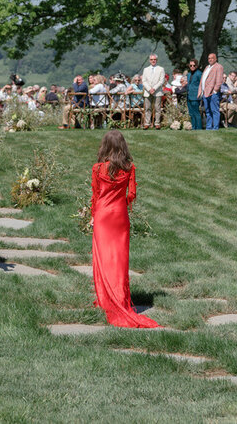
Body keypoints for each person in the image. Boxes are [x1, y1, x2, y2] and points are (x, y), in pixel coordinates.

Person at [89, 131, 159, 328]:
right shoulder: (129, 167)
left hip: (103, 216)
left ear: (105, 146)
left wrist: (94, 215)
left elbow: (95, 195)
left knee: (102, 259)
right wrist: (121, 202)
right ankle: (119, 299)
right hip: (120, 217)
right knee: (119, 260)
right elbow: (132, 194)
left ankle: (105, 300)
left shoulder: (97, 168)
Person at [141, 54, 166, 129]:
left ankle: (157, 123)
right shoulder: (146, 69)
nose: (153, 61)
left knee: (157, 108)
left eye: (154, 59)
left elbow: (161, 81)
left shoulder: (161, 69)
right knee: (147, 108)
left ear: (156, 60)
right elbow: (144, 80)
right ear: (149, 60)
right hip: (148, 91)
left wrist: (154, 88)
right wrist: (149, 89)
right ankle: (147, 123)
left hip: (157, 91)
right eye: (151, 59)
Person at [200, 52, 224, 130]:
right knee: (208, 111)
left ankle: (215, 127)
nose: (210, 59)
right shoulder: (207, 67)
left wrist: (215, 91)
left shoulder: (218, 67)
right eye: (209, 58)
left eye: (212, 58)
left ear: (215, 59)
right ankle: (209, 126)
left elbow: (219, 80)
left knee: (214, 110)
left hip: (213, 93)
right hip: (205, 92)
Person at [184, 59, 203, 131]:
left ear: (197, 66)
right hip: (189, 95)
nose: (192, 67)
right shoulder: (188, 74)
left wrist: (200, 94)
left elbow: (202, 84)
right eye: (190, 65)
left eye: (194, 65)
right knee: (191, 113)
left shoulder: (199, 73)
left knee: (196, 113)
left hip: (195, 96)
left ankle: (199, 128)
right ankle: (193, 127)